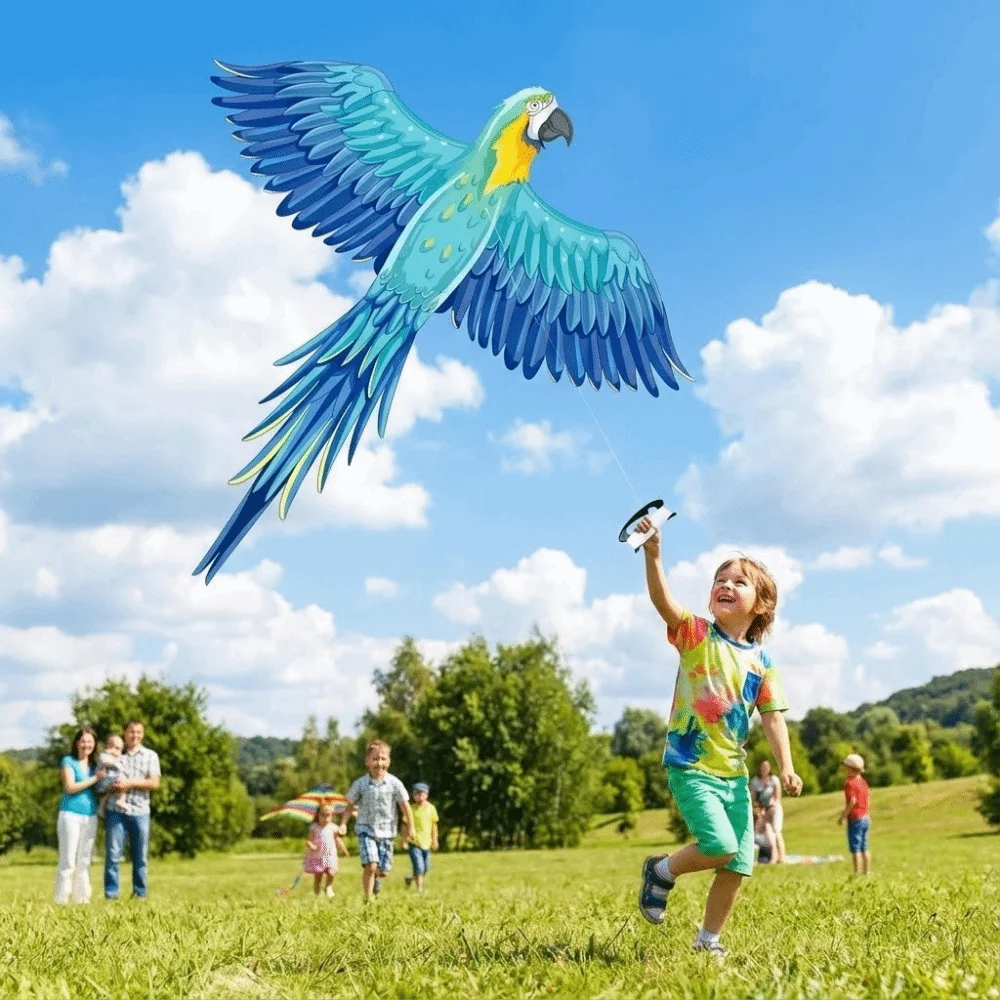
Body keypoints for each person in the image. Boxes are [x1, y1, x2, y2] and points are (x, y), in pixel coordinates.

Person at [634, 518, 803, 958]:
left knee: (738, 863)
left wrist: (786, 766)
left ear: (761, 604)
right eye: (720, 580)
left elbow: (773, 718)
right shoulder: (697, 635)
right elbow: (664, 603)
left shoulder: (763, 663)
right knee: (720, 845)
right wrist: (654, 556)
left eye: (739, 582)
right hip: (691, 765)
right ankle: (662, 871)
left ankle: (708, 940)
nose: (725, 585)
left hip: (733, 775)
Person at [338, 739, 413, 902]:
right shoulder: (360, 784)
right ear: (367, 762)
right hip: (366, 830)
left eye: (383, 758)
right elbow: (349, 805)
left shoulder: (394, 783)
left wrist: (411, 827)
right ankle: (368, 898)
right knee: (371, 865)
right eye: (375, 759)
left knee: (382, 870)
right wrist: (343, 824)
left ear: (389, 761)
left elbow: (405, 806)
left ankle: (376, 881)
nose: (379, 763)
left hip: (387, 831)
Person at [104, 720, 161, 901]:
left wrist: (130, 783)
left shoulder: (151, 756)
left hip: (140, 811)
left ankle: (140, 893)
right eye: (131, 732)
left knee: (140, 856)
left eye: (138, 732)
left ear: (142, 734)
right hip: (115, 810)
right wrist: (113, 785)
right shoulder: (115, 755)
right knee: (113, 855)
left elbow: (154, 782)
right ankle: (111, 895)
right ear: (124, 733)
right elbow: (102, 782)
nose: (134, 735)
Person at [54, 727, 104, 904]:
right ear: (76, 743)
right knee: (68, 860)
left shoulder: (94, 766)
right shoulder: (68, 761)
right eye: (83, 741)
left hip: (90, 816)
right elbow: (70, 787)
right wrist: (95, 779)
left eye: (90, 742)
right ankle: (61, 900)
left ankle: (82, 899)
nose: (86, 745)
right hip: (70, 815)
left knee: (85, 859)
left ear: (94, 744)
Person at [838, 752, 871, 875]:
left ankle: (857, 873)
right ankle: (866, 872)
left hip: (855, 818)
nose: (844, 769)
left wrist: (843, 816)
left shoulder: (849, 783)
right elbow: (867, 798)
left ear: (850, 768)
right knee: (864, 847)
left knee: (855, 848)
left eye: (845, 766)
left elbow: (852, 800)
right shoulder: (863, 782)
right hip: (866, 817)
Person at [402, 781, 439, 893]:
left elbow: (434, 825)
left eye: (422, 793)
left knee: (426, 867)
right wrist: (404, 840)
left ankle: (410, 878)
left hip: (426, 842)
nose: (419, 796)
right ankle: (419, 889)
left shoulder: (431, 808)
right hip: (414, 842)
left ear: (426, 795)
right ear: (413, 796)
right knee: (419, 866)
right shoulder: (410, 809)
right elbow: (404, 825)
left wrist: (435, 840)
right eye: (416, 794)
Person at [750, 759, 785, 863]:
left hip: (774, 809)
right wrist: (758, 811)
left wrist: (768, 808)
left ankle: (782, 856)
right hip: (762, 811)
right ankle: (773, 856)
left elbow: (777, 798)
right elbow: (753, 798)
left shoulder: (774, 780)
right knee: (766, 833)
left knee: (776, 830)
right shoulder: (756, 781)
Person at [303, 803, 339, 898]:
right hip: (318, 855)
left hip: (329, 855)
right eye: (323, 815)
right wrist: (311, 845)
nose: (326, 818)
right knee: (318, 876)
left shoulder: (333, 827)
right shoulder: (314, 827)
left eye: (329, 815)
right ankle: (316, 893)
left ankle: (328, 886)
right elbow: (308, 841)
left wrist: (344, 849)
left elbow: (337, 839)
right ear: (318, 815)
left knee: (331, 872)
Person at [94, 734, 128, 816]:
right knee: (123, 780)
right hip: (104, 780)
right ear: (107, 747)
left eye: (119, 749)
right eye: (113, 747)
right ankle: (121, 800)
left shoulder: (119, 757)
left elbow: (124, 760)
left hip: (107, 782)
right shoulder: (104, 755)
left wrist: (120, 759)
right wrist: (116, 763)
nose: (116, 751)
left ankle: (101, 808)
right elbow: (106, 762)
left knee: (106, 795)